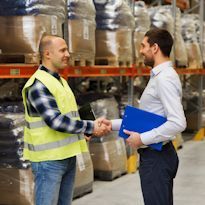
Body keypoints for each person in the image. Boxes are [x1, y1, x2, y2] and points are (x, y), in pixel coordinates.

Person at [22, 35, 111, 205]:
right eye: (62, 50)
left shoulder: (60, 81)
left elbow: (70, 116)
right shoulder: (39, 85)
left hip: (67, 156)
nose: (68, 54)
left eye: (67, 50)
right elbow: (56, 121)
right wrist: (91, 126)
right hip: (48, 161)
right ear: (47, 54)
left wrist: (84, 132)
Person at [109, 28, 186, 205]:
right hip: (157, 155)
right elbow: (147, 120)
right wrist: (110, 124)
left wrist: (142, 139)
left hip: (156, 158)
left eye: (143, 46)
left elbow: (178, 122)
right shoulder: (159, 76)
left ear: (155, 48)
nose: (141, 50)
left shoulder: (164, 79)